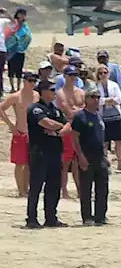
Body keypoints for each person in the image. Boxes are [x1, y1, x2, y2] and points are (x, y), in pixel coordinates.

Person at [25, 81, 68, 228]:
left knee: (54, 186)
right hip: (40, 153)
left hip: (55, 152)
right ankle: (31, 218)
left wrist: (57, 128)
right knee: (36, 187)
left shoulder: (55, 109)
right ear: (43, 91)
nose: (54, 92)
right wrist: (56, 127)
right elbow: (45, 123)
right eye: (51, 89)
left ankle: (51, 217)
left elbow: (67, 124)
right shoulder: (35, 108)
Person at [69, 88, 109, 225]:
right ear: (86, 99)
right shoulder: (81, 116)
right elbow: (74, 137)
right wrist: (80, 156)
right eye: (93, 97)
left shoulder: (99, 115)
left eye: (98, 97)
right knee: (86, 188)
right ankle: (87, 217)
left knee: (103, 188)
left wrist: (106, 154)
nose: (96, 99)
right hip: (86, 155)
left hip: (100, 156)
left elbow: (102, 137)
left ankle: (100, 216)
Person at [0, 72, 38, 197]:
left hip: (34, 134)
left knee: (29, 163)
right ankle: (20, 190)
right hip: (20, 132)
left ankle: (26, 189)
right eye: (30, 80)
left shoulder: (36, 95)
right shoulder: (16, 96)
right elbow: (1, 108)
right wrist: (10, 125)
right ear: (24, 81)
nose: (33, 83)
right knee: (20, 163)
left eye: (34, 81)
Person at [54, 65, 86, 200]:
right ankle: (64, 190)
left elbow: (85, 107)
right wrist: (78, 110)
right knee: (65, 162)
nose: (73, 77)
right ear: (65, 76)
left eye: (75, 75)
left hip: (79, 127)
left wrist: (76, 110)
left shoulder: (80, 91)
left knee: (77, 162)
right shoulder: (60, 93)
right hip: (67, 127)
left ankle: (80, 189)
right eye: (70, 75)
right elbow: (68, 111)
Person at [3, 8, 32, 93]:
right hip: (11, 50)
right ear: (17, 14)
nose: (22, 15)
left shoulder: (25, 25)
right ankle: (12, 87)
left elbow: (28, 35)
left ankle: (19, 87)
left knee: (19, 69)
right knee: (11, 69)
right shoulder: (13, 22)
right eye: (21, 13)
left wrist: (20, 38)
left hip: (20, 51)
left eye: (24, 14)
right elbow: (8, 33)